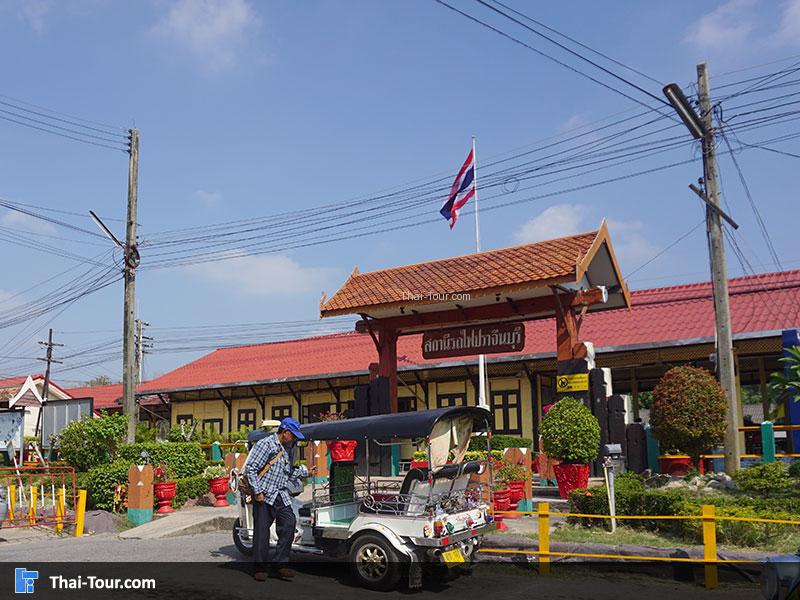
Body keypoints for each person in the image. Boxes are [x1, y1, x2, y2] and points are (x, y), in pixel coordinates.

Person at [244, 417, 313, 581]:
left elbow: (288, 472)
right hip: (264, 494)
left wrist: (306, 472)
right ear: (285, 432)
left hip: (281, 494)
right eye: (293, 435)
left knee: (289, 523)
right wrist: (258, 492)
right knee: (262, 532)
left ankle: (279, 564)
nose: (294, 439)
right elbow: (251, 468)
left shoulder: (288, 448)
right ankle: (259, 568)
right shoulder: (266, 444)